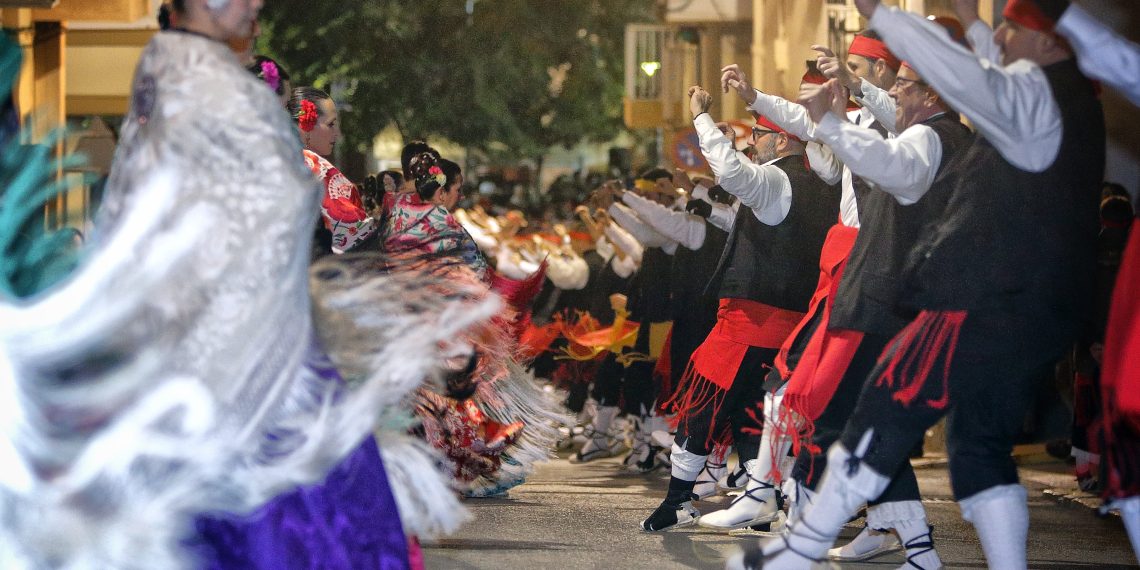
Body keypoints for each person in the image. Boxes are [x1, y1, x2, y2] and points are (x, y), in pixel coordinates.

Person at [729, 0, 1105, 567]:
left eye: (1013, 29)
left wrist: (882, 16)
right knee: (970, 447)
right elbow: (964, 74)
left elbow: (936, 104)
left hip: (976, 302)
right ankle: (840, 543)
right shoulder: (1036, 104)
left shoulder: (1007, 106)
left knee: (872, 415)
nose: (998, 38)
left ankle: (802, 546)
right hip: (1006, 302)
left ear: (1051, 47)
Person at [640, 85, 838, 532]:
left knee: (701, 405)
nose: (752, 144)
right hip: (784, 323)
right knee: (747, 413)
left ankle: (677, 499)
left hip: (749, 323)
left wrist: (702, 118)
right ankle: (758, 497)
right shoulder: (818, 186)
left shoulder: (776, 178)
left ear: (783, 140)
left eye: (759, 137)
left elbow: (731, 171)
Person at [289, 87, 378, 255]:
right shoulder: (314, 170)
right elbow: (359, 235)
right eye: (331, 124)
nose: (336, 133)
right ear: (305, 125)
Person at [384, 152, 489, 276]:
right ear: (442, 192)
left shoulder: (398, 213)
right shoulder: (449, 228)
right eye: (458, 190)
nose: (461, 196)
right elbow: (479, 273)